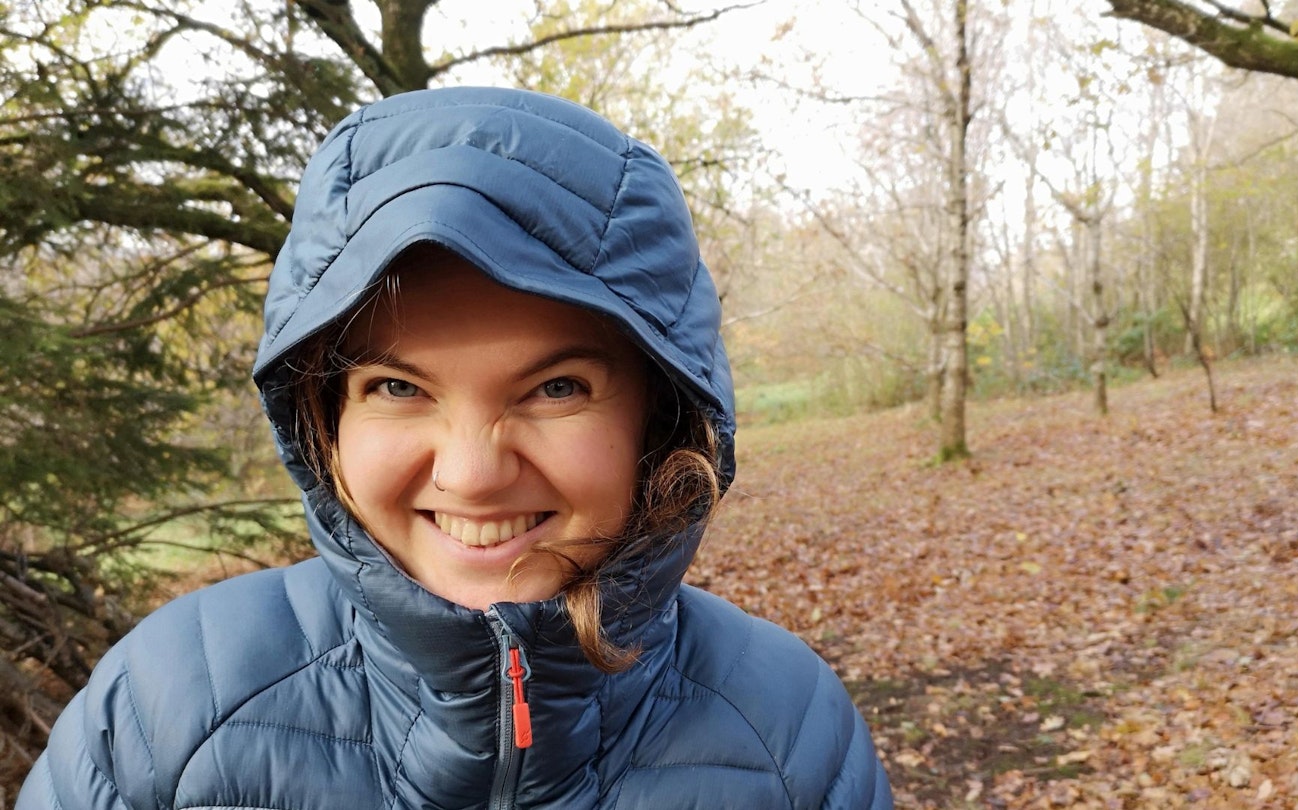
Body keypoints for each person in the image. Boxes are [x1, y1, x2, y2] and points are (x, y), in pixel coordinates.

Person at [17, 87, 892, 809]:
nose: (472, 474)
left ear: (658, 420)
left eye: (557, 389)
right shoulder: (170, 710)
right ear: (325, 419)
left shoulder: (786, 735)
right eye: (397, 389)